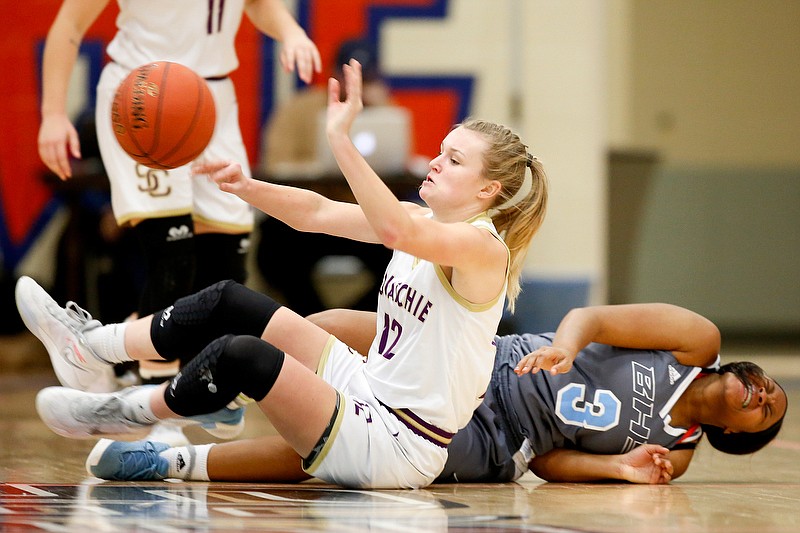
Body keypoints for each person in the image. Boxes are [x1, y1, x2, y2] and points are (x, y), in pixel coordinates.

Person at [21, 58, 549, 489]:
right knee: (232, 299)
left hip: (398, 441)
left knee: (244, 355)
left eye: (453, 160)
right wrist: (247, 187)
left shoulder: (482, 249)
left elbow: (394, 234)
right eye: (439, 151)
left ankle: (130, 411)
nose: (435, 163)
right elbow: (316, 214)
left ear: (487, 192)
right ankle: (96, 345)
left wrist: (342, 138)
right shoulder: (421, 217)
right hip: (368, 389)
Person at [84, 303, 788, 485]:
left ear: (737, 433)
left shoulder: (679, 451)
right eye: (766, 383)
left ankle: (172, 460)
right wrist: (569, 345)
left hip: (497, 439)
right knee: (318, 330)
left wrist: (614, 467)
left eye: (767, 409)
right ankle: (175, 386)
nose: (763, 391)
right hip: (486, 361)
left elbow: (550, 463)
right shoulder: (695, 340)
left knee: (340, 457)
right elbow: (598, 319)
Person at [37, 0, 322, 441]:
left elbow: (260, 6)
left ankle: (154, 371)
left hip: (210, 101)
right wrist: (54, 114)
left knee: (229, 262)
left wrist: (291, 33)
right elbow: (69, 24)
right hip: (143, 93)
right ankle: (148, 399)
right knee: (172, 257)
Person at [257, 38, 397, 315]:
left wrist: (377, 108)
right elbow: (274, 164)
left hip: (362, 220)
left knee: (405, 251)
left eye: (364, 79)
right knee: (273, 248)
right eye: (347, 77)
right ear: (333, 74)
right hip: (309, 221)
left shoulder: (387, 116)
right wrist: (319, 168)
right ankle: (312, 319)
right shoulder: (300, 109)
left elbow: (396, 165)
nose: (353, 85)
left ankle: (358, 323)